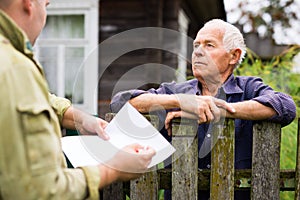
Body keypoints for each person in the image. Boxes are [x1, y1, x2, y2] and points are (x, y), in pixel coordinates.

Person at [110, 19, 296, 199]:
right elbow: (120, 103)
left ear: (234, 56)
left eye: (209, 45)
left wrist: (220, 109)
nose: (198, 52)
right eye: (196, 45)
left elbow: (285, 106)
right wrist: (182, 101)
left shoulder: (248, 89)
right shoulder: (174, 92)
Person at [0, 0, 156, 199]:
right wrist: (113, 169)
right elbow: (40, 190)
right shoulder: (14, 67)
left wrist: (79, 118)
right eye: (46, 5)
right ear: (29, 3)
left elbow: (31, 98)